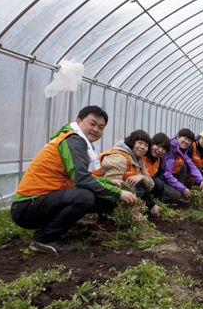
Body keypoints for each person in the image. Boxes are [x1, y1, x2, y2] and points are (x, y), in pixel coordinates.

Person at [10, 106, 136, 254]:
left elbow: (82, 176)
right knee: (84, 197)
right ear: (79, 121)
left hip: (42, 201)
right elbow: (81, 178)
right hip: (27, 206)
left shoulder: (78, 141)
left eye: (101, 127)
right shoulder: (73, 140)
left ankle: (57, 229)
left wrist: (109, 183)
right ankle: (42, 239)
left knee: (102, 198)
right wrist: (118, 193)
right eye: (92, 123)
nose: (96, 129)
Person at [94, 130, 159, 219]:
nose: (143, 147)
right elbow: (111, 188)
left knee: (139, 184)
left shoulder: (138, 159)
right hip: (95, 192)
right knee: (135, 186)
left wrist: (142, 177)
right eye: (140, 143)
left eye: (146, 145)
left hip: (111, 191)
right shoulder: (119, 157)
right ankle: (105, 217)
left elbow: (151, 185)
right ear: (132, 143)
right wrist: (133, 212)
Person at [162, 128, 203, 203]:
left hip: (170, 177)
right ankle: (162, 198)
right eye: (185, 138)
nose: (186, 142)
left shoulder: (182, 150)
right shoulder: (171, 149)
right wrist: (183, 188)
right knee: (177, 195)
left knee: (184, 167)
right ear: (178, 136)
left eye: (189, 141)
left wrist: (201, 180)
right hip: (162, 178)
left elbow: (192, 166)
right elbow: (167, 174)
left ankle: (177, 192)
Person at [142, 132, 171, 214]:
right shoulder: (142, 156)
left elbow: (159, 175)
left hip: (149, 185)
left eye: (164, 149)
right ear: (151, 143)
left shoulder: (159, 160)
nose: (160, 150)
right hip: (139, 185)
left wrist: (160, 202)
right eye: (158, 146)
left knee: (159, 183)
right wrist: (151, 204)